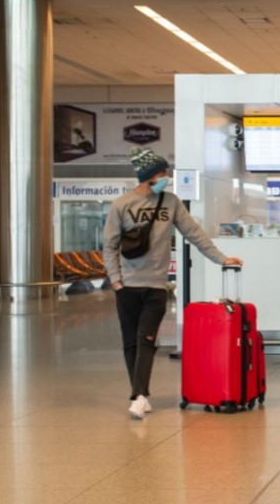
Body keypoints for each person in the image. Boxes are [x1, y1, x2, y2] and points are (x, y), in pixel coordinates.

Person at [103, 147, 242, 420]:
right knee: (130, 343)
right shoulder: (121, 205)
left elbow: (194, 234)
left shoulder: (171, 202)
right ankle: (140, 392)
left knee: (147, 339)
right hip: (127, 286)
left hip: (156, 285)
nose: (166, 177)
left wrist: (222, 259)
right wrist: (116, 280)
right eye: (162, 173)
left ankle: (138, 396)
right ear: (147, 177)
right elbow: (109, 246)